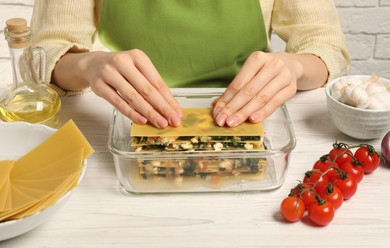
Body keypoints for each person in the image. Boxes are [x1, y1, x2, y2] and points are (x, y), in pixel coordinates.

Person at [30, 0, 350, 128]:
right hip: (123, 116)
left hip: (246, 116)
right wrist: (89, 65)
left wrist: (293, 67)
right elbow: (46, 53)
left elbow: (325, 47)